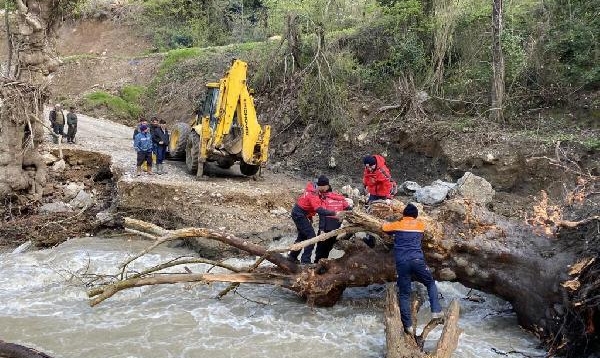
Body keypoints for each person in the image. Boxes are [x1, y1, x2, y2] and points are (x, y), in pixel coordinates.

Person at [381, 203, 443, 334]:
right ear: (416, 216)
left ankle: (408, 326)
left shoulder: (397, 225)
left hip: (402, 263)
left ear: (404, 215)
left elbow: (383, 227)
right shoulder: (420, 225)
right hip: (417, 261)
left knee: (404, 294)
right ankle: (436, 310)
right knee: (430, 283)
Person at [288, 175, 337, 264]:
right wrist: (334, 213)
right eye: (327, 186)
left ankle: (292, 256)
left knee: (302, 236)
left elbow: (307, 205)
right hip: (299, 214)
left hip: (299, 213)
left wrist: (309, 217)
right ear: (322, 186)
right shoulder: (313, 194)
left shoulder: (314, 189)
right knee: (311, 236)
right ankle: (305, 261)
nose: (327, 188)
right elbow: (319, 210)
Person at [362, 154, 397, 247]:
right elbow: (366, 178)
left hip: (384, 196)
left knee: (385, 218)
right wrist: (365, 187)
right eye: (367, 167)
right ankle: (370, 239)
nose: (369, 169)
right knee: (369, 216)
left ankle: (388, 241)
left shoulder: (383, 170)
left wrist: (389, 198)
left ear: (374, 164)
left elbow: (392, 185)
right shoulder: (368, 168)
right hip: (373, 194)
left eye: (370, 166)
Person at [314, 188, 351, 262]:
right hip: (336, 226)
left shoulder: (324, 198)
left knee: (320, 248)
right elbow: (349, 209)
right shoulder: (341, 199)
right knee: (328, 247)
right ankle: (324, 263)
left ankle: (317, 264)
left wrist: (321, 229)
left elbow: (322, 215)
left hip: (326, 225)